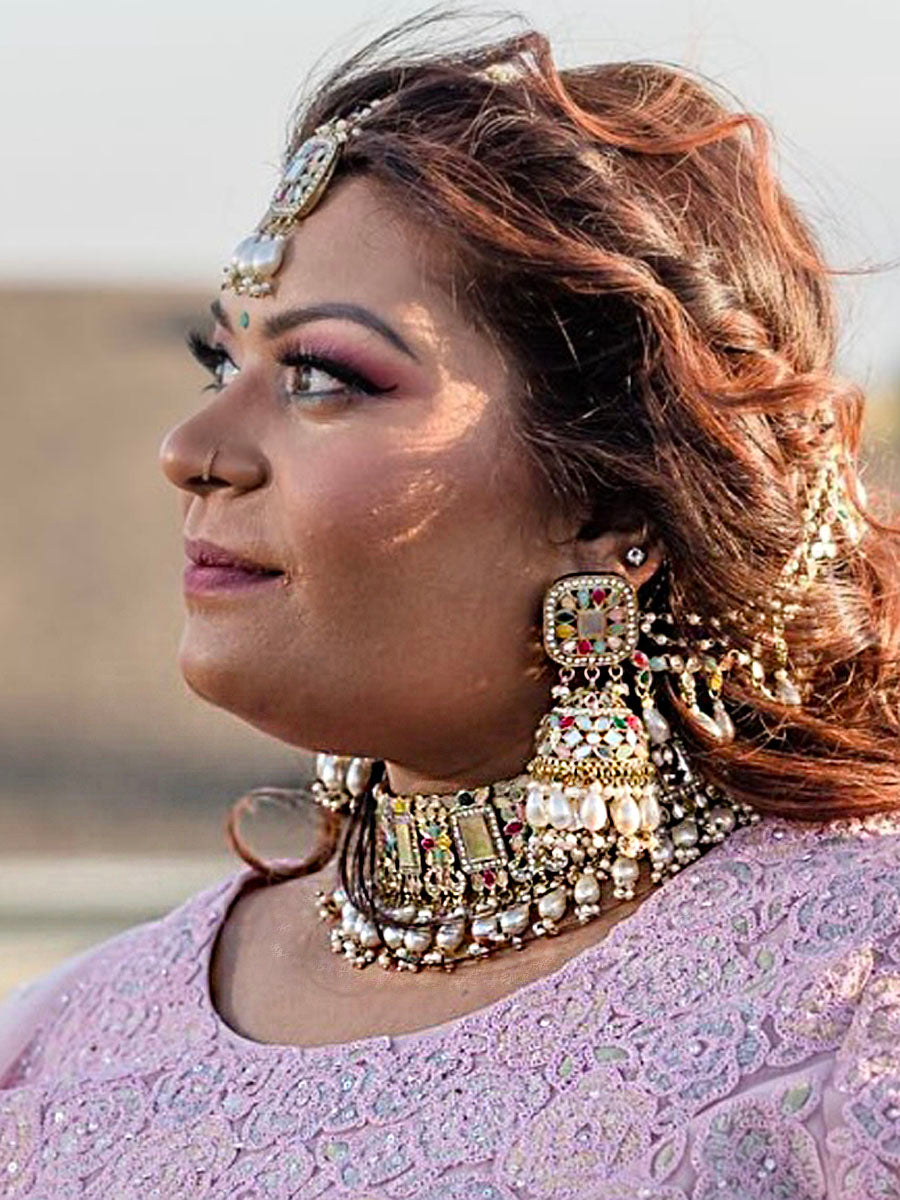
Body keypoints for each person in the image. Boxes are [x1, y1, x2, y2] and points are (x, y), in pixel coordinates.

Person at [2, 12, 900, 1198]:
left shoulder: (855, 999)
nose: (191, 449)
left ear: (606, 501)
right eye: (222, 366)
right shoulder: (61, 1052)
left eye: (324, 377)